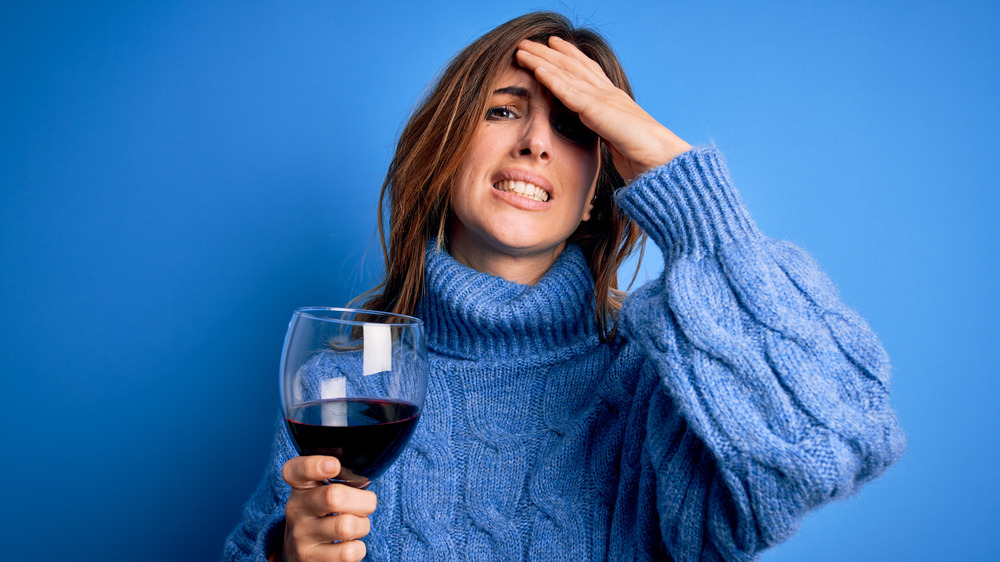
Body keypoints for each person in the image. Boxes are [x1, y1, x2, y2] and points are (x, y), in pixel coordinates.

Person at [224, 11, 905, 562]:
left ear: (594, 198)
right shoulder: (350, 379)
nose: (536, 144)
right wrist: (288, 554)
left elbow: (837, 443)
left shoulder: (659, 382)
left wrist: (686, 190)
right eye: (502, 111)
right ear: (446, 152)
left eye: (577, 126)